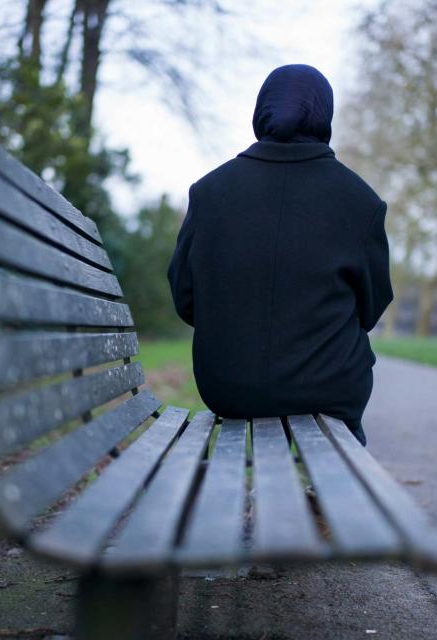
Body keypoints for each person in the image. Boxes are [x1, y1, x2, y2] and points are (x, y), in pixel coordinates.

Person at [167, 64, 393, 446]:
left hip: (227, 389)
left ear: (262, 111)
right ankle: (335, 491)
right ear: (325, 114)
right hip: (327, 389)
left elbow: (185, 300)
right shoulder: (361, 201)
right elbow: (371, 309)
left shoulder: (208, 192)